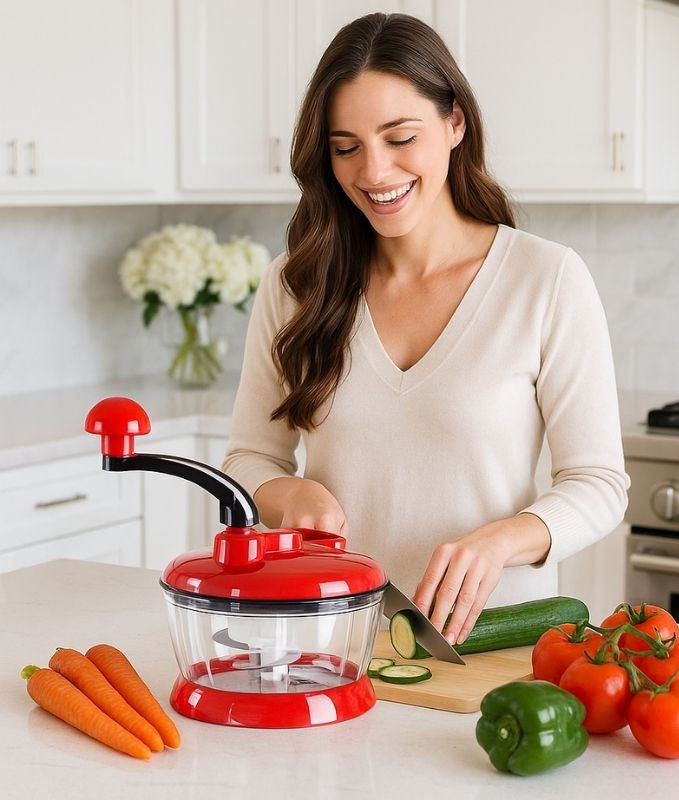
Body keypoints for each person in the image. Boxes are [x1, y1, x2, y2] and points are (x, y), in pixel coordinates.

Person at [222, 12, 629, 646]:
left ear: (454, 123)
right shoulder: (295, 285)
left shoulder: (545, 279)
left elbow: (599, 485)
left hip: (499, 643)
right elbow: (250, 457)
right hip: (334, 639)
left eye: (400, 137)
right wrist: (292, 493)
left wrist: (500, 542)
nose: (374, 172)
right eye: (346, 147)